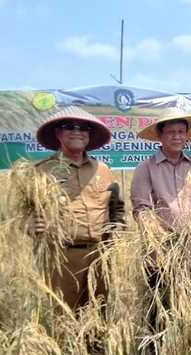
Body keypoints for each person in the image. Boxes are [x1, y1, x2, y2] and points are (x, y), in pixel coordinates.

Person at [28, 106, 126, 312]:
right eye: (69, 126)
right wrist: (30, 224)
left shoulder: (103, 170)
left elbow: (116, 208)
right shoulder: (41, 172)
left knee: (99, 314)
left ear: (89, 135)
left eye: (83, 128)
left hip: (100, 256)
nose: (77, 131)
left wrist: (116, 233)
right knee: (65, 317)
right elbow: (25, 213)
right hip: (63, 258)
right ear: (58, 133)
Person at [130, 107, 191, 327]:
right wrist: (160, 243)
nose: (177, 136)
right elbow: (142, 209)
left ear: (187, 135)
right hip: (160, 254)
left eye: (181, 131)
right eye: (171, 132)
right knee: (161, 310)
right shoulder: (145, 168)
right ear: (160, 136)